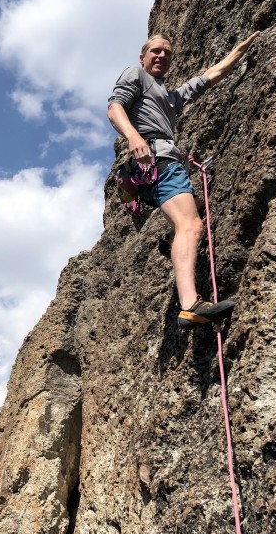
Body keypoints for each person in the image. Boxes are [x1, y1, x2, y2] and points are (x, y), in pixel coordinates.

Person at [107, 31, 260, 328]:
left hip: (155, 167)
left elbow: (209, 76)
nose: (162, 55)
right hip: (158, 160)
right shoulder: (137, 74)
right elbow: (114, 107)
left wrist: (240, 51)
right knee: (191, 225)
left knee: (199, 206)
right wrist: (134, 137)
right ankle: (190, 305)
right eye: (156, 50)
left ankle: (170, 241)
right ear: (143, 57)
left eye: (167, 52)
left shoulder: (170, 97)